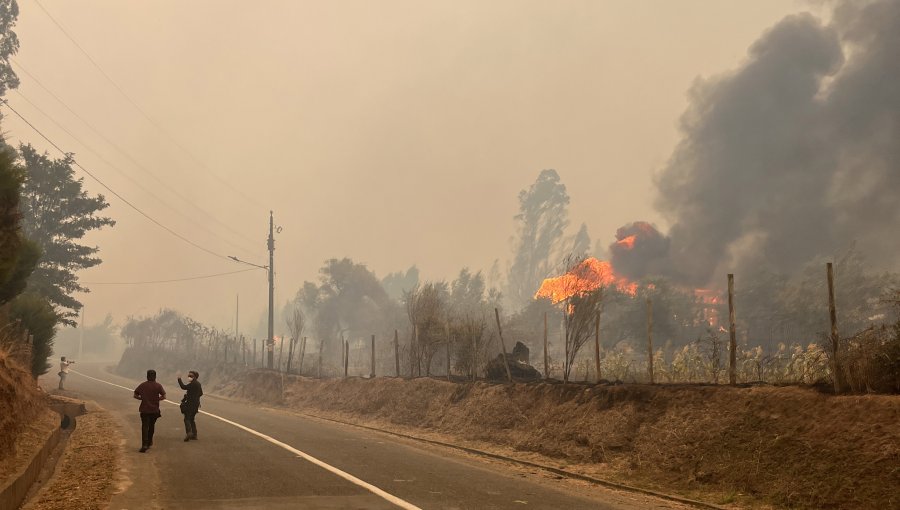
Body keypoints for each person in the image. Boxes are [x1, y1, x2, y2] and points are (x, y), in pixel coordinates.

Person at [133, 369, 166, 453]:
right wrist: (157, 399)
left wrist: (141, 398)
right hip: (154, 410)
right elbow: (164, 396)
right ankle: (149, 442)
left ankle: (144, 444)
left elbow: (135, 395)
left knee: (145, 427)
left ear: (147, 376)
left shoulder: (142, 385)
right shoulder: (158, 385)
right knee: (151, 426)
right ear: (155, 376)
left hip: (144, 410)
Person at [177, 370, 203, 441]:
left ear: (195, 377)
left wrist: (179, 379)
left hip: (190, 404)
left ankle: (189, 433)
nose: (189, 377)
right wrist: (194, 396)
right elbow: (201, 393)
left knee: (187, 419)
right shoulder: (198, 384)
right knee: (192, 419)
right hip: (196, 404)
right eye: (189, 376)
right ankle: (194, 435)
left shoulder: (193, 383)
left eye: (191, 376)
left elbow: (183, 387)